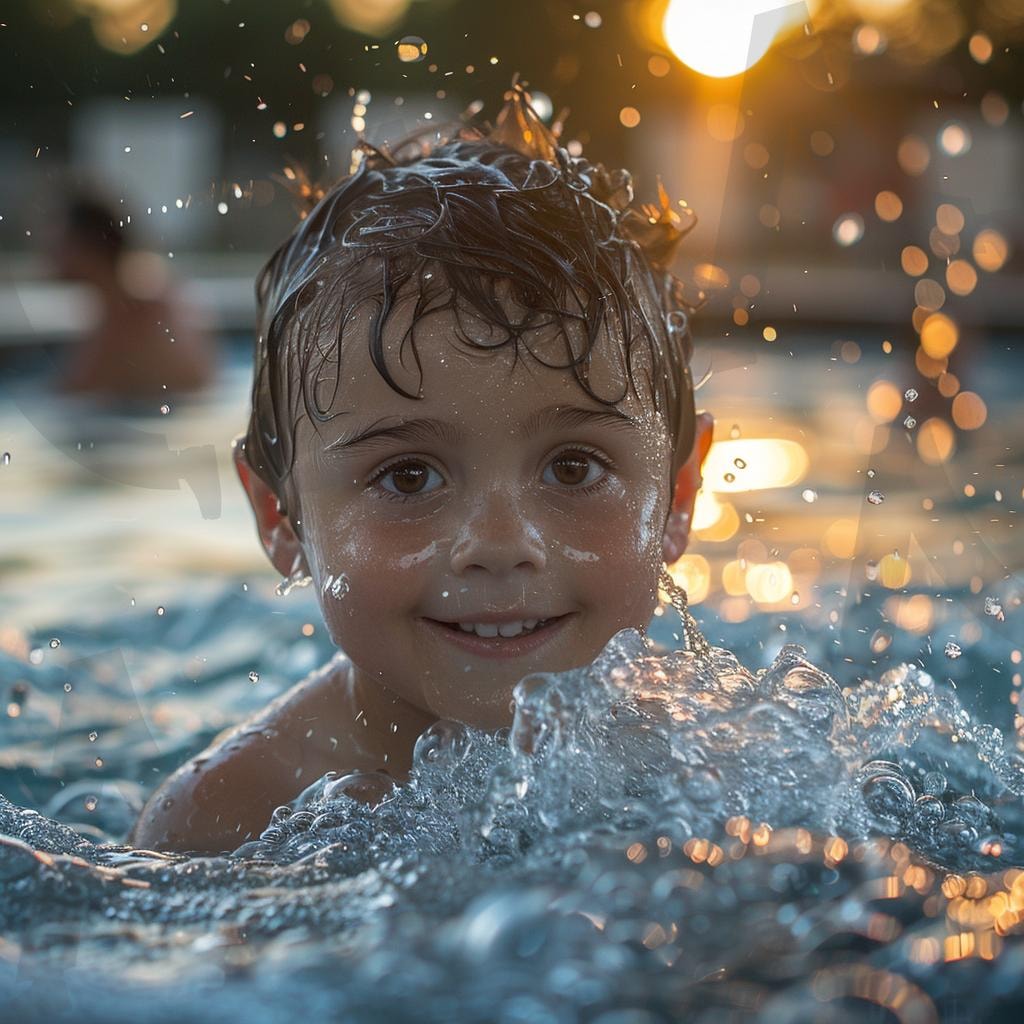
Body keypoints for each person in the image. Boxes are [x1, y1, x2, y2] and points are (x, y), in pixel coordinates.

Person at [128, 83, 715, 854]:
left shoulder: (716, 757)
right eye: (408, 477)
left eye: (573, 468)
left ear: (677, 497)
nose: (500, 543)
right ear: (281, 518)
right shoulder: (226, 816)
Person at [49, 190, 217, 404]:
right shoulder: (140, 285)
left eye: (59, 241)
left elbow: (74, 390)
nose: (50, 252)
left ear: (86, 247)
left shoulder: (133, 306)